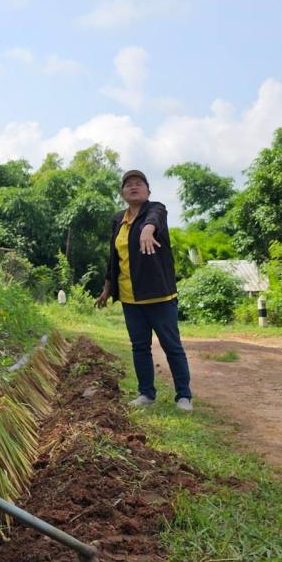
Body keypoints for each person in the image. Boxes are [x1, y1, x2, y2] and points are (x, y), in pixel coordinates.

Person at [94, 169, 193, 411]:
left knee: (172, 346)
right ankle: (146, 394)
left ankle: (183, 396)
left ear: (148, 190)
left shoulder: (156, 209)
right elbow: (113, 258)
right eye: (128, 184)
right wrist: (107, 289)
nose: (133, 187)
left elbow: (155, 219)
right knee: (140, 347)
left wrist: (148, 229)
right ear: (122, 192)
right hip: (130, 298)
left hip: (159, 296)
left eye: (139, 183)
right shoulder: (118, 220)